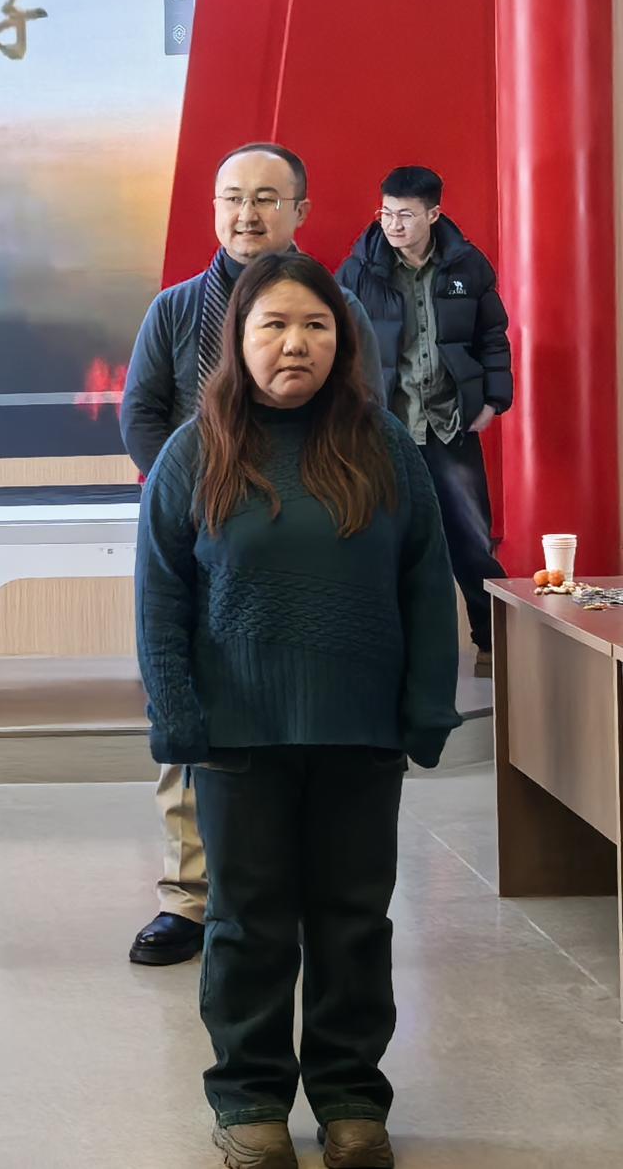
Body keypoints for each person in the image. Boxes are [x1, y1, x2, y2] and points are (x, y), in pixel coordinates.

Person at [135, 252, 458, 1169]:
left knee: (355, 920)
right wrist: (177, 715)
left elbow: (426, 584)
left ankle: (352, 1095)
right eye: (273, 324)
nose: (295, 343)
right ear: (238, 339)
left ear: (342, 341)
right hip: (238, 738)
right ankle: (249, 1100)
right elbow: (160, 598)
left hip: (360, 731)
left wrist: (426, 708)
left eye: (315, 326)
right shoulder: (195, 450)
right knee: (248, 922)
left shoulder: (383, 445)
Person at [118, 142, 384, 968]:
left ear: (300, 211)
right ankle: (188, 898)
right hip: (209, 547)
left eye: (267, 197)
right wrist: (200, 500)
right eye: (232, 197)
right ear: (214, 209)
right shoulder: (174, 310)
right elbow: (141, 415)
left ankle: (288, 893)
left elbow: (368, 414)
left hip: (313, 549)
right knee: (193, 714)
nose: (247, 213)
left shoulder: (338, 307)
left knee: (302, 729)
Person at [337, 165, 511, 676]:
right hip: (383, 429)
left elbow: (492, 336)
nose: (393, 225)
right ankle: (384, 652)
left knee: (472, 541)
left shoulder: (467, 265)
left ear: (434, 214)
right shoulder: (358, 269)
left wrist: (493, 401)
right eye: (386, 213)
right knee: (380, 541)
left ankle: (493, 644)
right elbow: (338, 345)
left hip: (448, 424)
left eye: (406, 216)